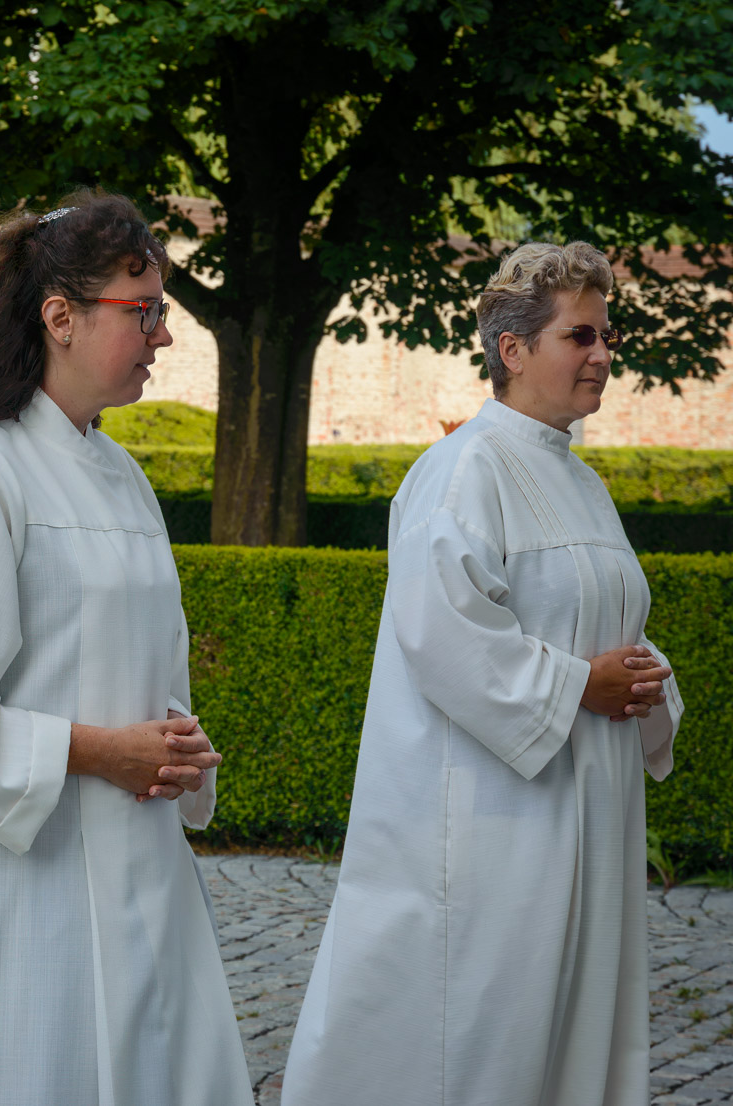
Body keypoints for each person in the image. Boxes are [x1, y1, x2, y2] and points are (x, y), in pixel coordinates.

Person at [0, 193, 254, 1105]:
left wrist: (172, 743)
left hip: (135, 859)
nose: (163, 337)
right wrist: (99, 750)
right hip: (12, 875)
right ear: (59, 318)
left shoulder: (122, 475)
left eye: (162, 313)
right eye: (141, 311)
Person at [280, 241, 683, 1106]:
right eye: (580, 336)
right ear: (513, 350)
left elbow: (616, 623)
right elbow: (443, 635)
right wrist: (582, 686)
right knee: (480, 1032)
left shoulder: (583, 484)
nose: (604, 354)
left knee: (571, 1021)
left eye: (607, 335)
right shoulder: (462, 472)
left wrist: (645, 682)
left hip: (591, 807)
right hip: (498, 820)